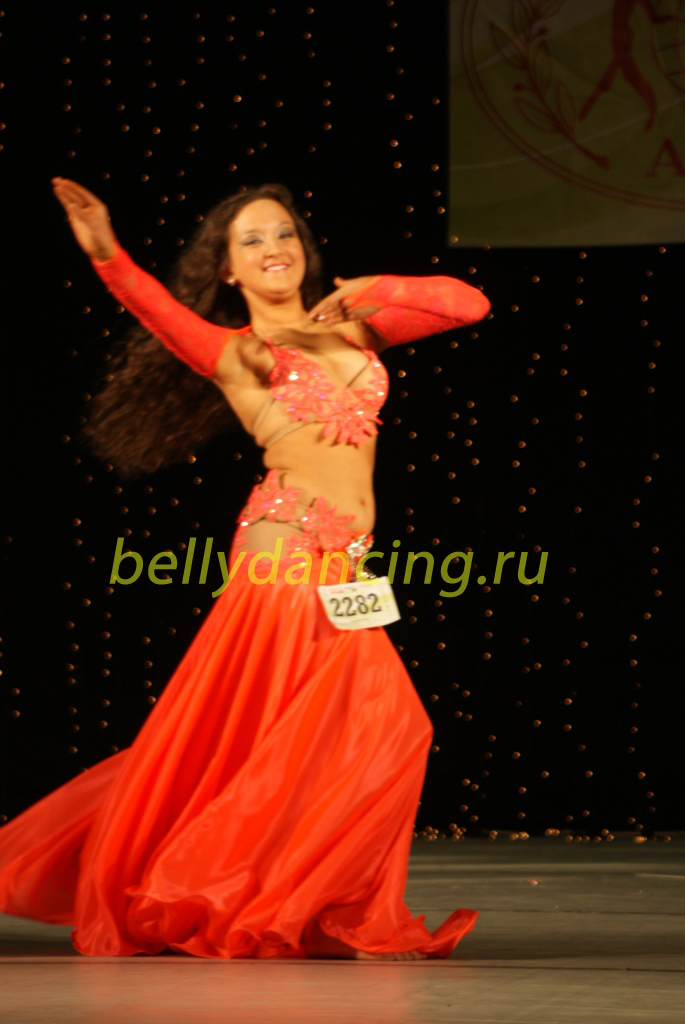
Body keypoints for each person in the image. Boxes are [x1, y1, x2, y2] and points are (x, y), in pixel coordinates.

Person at [0, 177, 491, 960]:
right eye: (251, 240)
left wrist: (380, 285)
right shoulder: (238, 353)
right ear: (227, 268)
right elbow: (153, 309)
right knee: (376, 727)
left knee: (272, 745)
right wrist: (106, 251)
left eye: (284, 233)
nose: (273, 248)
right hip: (285, 551)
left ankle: (263, 898)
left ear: (305, 249)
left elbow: (469, 305)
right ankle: (237, 896)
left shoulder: (357, 332)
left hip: (345, 564)